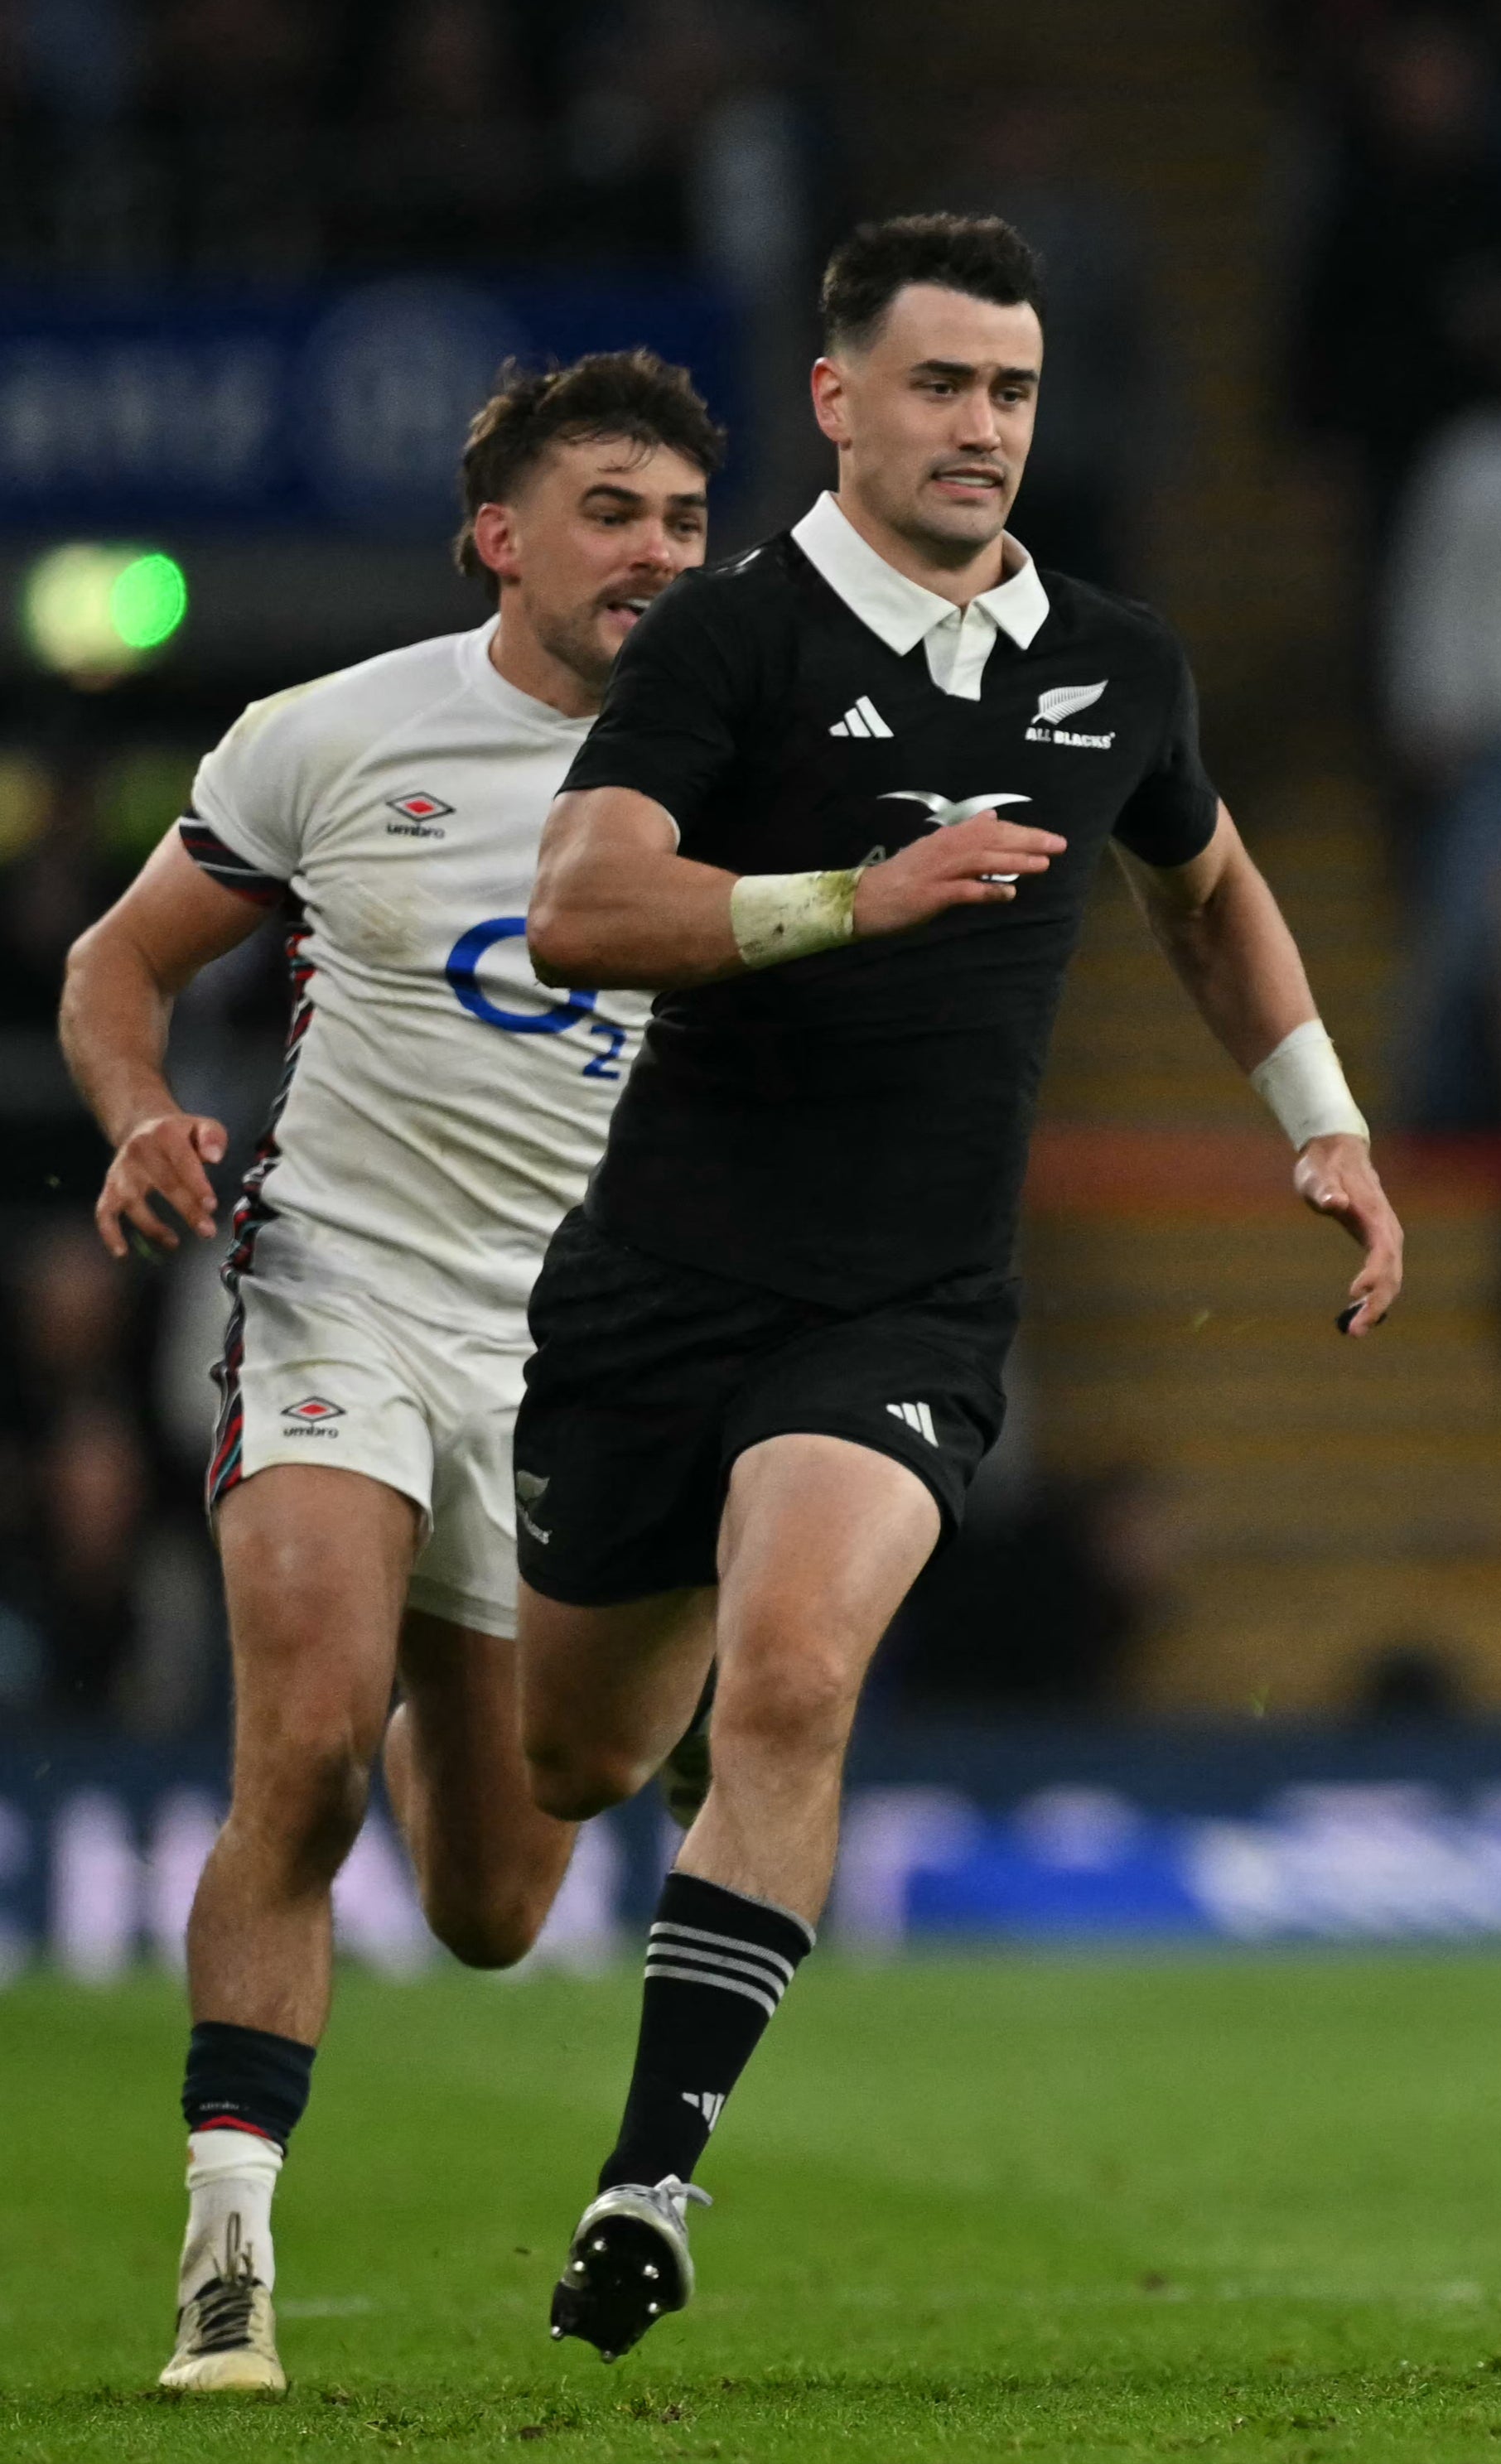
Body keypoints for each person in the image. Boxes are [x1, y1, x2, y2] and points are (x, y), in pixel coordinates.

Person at [509, 213, 1404, 2357]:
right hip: (661, 1288)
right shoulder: (728, 640)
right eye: (940, 384)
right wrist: (859, 893)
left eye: (1009, 389)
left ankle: (652, 2177)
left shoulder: (1117, 661)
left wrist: (1326, 1117)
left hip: (901, 1311)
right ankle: (679, 1741)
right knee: (558, 1767)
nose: (984, 426)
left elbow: (1209, 888)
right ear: (838, 400)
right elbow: (580, 904)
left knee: (800, 1674)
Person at [58, 353, 724, 2394]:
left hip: (579, 1357)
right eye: (614, 511)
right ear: (499, 538)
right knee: (307, 1749)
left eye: (690, 521)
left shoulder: (751, 758)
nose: (659, 555)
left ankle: (501, 1659)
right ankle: (227, 2256)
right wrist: (139, 1118)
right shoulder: (334, 735)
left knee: (504, 1895)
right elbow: (115, 969)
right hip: (339, 1286)